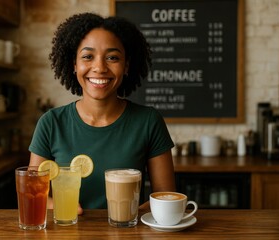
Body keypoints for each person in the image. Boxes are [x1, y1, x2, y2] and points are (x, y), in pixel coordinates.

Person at [28, 12, 176, 214]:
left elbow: (166, 196)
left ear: (126, 66)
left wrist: (127, 215)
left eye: (112, 57)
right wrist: (63, 206)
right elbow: (32, 192)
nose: (99, 67)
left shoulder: (149, 121)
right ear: (74, 64)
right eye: (88, 57)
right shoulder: (51, 123)